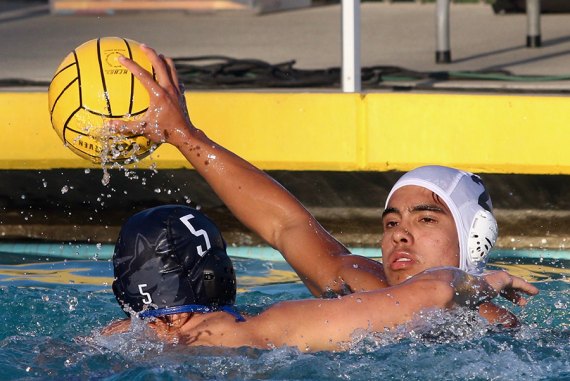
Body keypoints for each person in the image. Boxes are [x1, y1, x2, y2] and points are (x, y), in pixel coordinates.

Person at [107, 44, 536, 328]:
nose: (399, 234)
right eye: (390, 224)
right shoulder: (358, 284)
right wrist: (184, 135)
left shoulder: (492, 327)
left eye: (426, 218)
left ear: (473, 237)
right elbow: (285, 226)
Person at [103, 204, 537, 352]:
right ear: (215, 275)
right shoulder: (271, 326)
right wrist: (483, 281)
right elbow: (435, 291)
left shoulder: (119, 335)